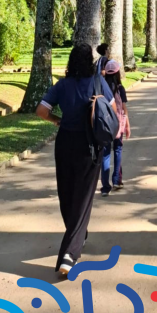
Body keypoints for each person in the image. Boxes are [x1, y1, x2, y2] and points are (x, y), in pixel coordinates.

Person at [36, 43, 118, 277]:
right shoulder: (98, 82)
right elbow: (112, 110)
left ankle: (77, 235)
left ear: (71, 62)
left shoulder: (62, 85)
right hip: (89, 144)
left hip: (64, 143)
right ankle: (69, 255)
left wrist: (56, 120)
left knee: (66, 193)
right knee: (83, 197)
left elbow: (41, 111)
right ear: (90, 61)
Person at [100, 59, 130, 194]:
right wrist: (127, 125)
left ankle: (105, 187)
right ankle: (117, 180)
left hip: (105, 125)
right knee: (118, 150)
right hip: (118, 124)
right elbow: (124, 108)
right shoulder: (120, 88)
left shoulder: (102, 88)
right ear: (118, 73)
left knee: (105, 154)